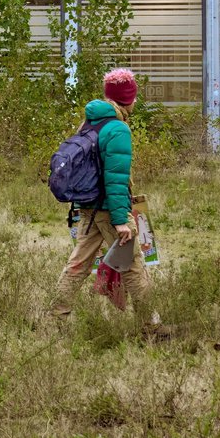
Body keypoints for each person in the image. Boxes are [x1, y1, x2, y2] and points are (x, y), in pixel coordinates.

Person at [56, 69, 143, 313]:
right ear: (127, 98)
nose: (136, 100)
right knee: (133, 266)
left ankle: (55, 316)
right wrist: (120, 220)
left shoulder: (89, 122)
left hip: (89, 207)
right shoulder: (118, 129)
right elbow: (115, 179)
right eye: (134, 96)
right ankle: (152, 326)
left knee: (77, 265)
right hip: (109, 209)